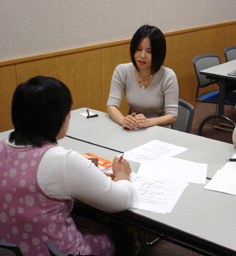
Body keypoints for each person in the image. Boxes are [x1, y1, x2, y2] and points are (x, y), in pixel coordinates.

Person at [0, 76, 135, 256]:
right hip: (57, 251)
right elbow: (121, 199)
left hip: (11, 245)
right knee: (118, 233)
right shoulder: (61, 161)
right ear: (58, 118)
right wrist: (123, 176)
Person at [107, 24, 179, 130]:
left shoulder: (168, 76)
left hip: (160, 130)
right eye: (139, 49)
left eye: (149, 51)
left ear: (159, 54)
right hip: (135, 129)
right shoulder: (122, 71)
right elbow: (111, 106)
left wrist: (149, 122)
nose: (142, 56)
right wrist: (123, 120)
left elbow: (172, 116)